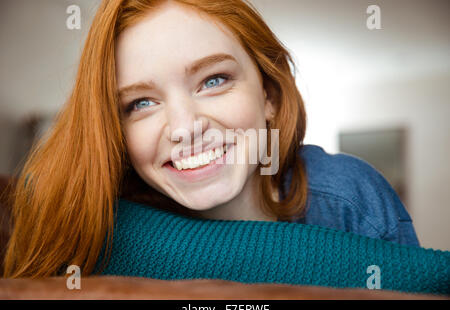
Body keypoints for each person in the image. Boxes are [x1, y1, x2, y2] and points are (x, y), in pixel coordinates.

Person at [2, 0, 419, 278]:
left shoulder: (350, 198)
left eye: (213, 80)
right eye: (141, 103)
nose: (184, 127)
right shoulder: (100, 227)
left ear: (269, 95)